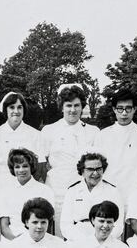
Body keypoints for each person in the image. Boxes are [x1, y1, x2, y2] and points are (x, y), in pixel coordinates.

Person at [41, 83, 99, 235]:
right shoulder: (49, 130)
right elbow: (41, 164)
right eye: (68, 105)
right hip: (56, 190)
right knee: (58, 237)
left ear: (82, 107)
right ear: (61, 107)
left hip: (84, 191)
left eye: (76, 105)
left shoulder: (93, 132)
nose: (72, 110)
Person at [97, 87, 137, 204]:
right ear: (114, 109)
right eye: (120, 108)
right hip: (109, 198)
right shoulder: (102, 136)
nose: (124, 113)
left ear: (134, 109)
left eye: (128, 108)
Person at [0, 91, 46, 192]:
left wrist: (28, 185)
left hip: (28, 187)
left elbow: (41, 165)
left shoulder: (35, 134)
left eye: (19, 107)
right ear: (5, 110)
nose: (16, 111)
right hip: (2, 187)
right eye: (12, 107)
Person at [60, 153, 124, 242]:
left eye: (99, 169)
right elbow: (65, 225)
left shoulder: (113, 191)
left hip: (106, 236)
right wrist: (82, 239)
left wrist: (101, 239)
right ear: (82, 171)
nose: (95, 173)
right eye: (90, 169)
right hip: (78, 237)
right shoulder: (72, 191)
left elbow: (118, 225)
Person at [0, 148, 56, 240]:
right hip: (12, 241)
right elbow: (4, 226)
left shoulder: (45, 191)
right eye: (17, 167)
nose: (21, 170)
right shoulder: (5, 192)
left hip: (39, 240)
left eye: (25, 166)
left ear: (31, 167)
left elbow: (48, 224)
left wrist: (34, 241)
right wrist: (17, 242)